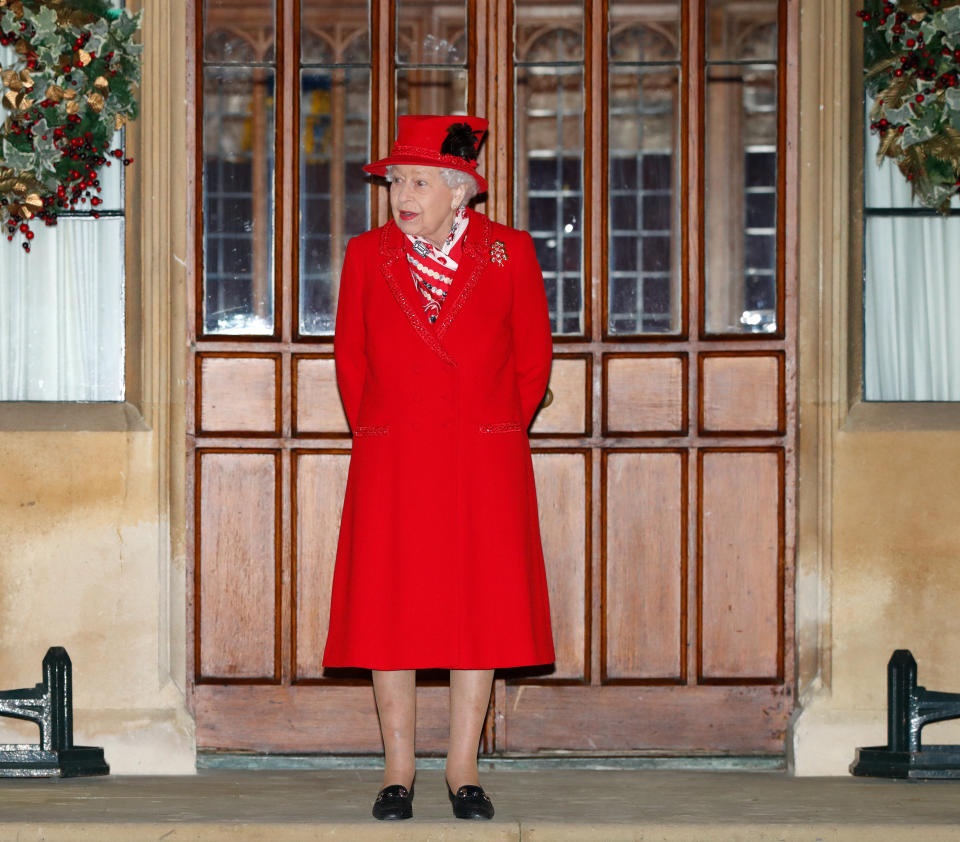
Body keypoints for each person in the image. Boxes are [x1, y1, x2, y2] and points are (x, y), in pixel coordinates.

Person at [321, 114, 556, 821]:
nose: (402, 194)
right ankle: (398, 770)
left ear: (460, 191)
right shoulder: (368, 254)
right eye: (397, 180)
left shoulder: (510, 253)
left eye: (418, 181)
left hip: (481, 459)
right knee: (389, 610)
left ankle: (462, 767)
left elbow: (532, 359)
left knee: (477, 613)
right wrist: (384, 430)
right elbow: (350, 359)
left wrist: (490, 427)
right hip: (395, 459)